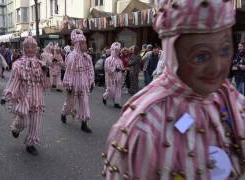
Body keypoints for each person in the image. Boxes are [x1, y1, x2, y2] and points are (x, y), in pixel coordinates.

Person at [103, 0, 245, 179]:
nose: (217, 67)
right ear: (173, 53)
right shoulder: (145, 124)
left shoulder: (231, 99)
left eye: (225, 51)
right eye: (201, 56)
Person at [1, 36, 49, 155]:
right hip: (23, 97)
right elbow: (14, 81)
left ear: (37, 49)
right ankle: (16, 128)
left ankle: (31, 144)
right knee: (24, 121)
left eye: (33, 47)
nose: (30, 49)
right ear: (23, 49)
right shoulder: (18, 64)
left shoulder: (41, 64)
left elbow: (46, 85)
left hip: (37, 98)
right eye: (27, 47)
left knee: (35, 122)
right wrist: (7, 95)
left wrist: (46, 73)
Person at [61, 29, 95, 133]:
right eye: (83, 43)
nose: (85, 45)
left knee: (84, 102)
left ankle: (84, 123)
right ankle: (64, 113)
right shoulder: (72, 56)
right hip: (73, 83)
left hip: (84, 83)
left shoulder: (87, 57)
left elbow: (90, 70)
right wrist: (69, 85)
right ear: (77, 44)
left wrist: (91, 81)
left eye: (85, 42)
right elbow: (69, 72)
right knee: (70, 103)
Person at [102, 42, 124, 109]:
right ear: (112, 50)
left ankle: (117, 103)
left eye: (118, 50)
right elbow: (107, 68)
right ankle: (104, 97)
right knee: (111, 90)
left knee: (118, 90)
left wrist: (122, 71)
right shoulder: (108, 59)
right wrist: (114, 69)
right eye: (115, 50)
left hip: (118, 77)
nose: (117, 52)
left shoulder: (120, 60)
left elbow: (122, 68)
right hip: (111, 78)